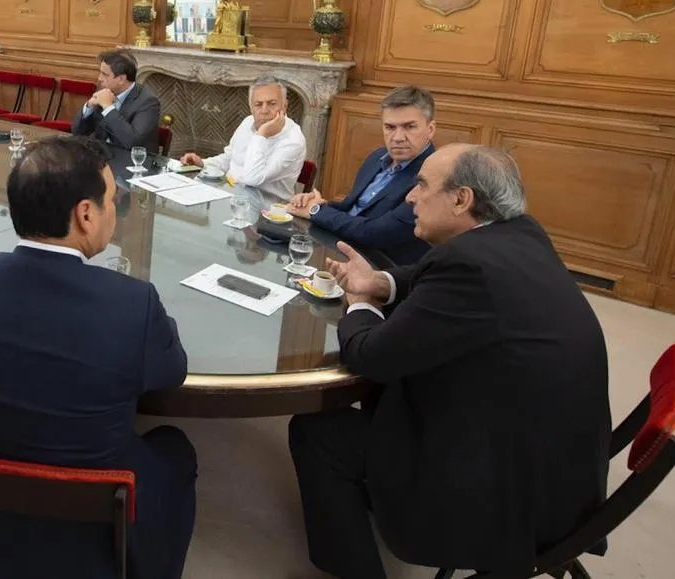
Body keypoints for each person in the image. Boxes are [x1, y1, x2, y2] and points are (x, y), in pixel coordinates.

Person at [288, 144, 611, 579]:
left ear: (462, 200)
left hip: (508, 491)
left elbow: (370, 356)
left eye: (422, 184)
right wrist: (381, 281)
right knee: (395, 386)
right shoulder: (517, 233)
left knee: (318, 432)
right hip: (558, 465)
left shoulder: (469, 267)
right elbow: (426, 276)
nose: (409, 196)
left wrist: (360, 301)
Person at [0, 135, 196, 578]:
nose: (114, 213)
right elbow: (170, 374)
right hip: (89, 524)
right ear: (85, 214)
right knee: (175, 448)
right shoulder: (132, 303)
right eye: (112, 201)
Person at [286, 85, 437, 265]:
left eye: (409, 127)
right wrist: (320, 204)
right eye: (390, 127)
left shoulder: (433, 177)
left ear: (430, 129)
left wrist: (316, 211)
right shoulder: (376, 157)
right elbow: (353, 208)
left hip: (381, 268)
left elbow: (377, 233)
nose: (397, 137)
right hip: (342, 247)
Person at [178, 74, 306, 202]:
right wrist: (203, 163)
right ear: (250, 106)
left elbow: (253, 179)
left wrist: (261, 135)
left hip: (266, 211)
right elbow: (229, 158)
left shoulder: (293, 140)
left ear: (284, 105)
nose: (264, 110)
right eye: (258, 104)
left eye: (272, 104)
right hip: (229, 196)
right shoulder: (247, 122)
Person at [71, 50, 162, 151]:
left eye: (104, 74)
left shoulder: (148, 102)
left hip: (132, 161)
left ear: (121, 79)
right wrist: (89, 107)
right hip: (101, 154)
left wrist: (108, 108)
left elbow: (133, 142)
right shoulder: (104, 90)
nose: (99, 78)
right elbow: (77, 133)